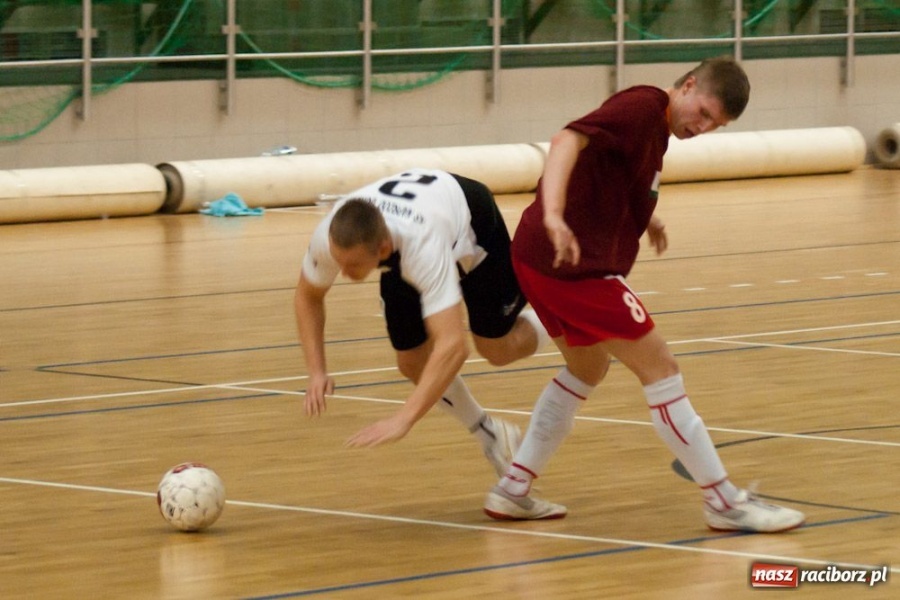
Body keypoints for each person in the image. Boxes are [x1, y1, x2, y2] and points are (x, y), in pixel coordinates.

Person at [483, 57, 807, 533]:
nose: (704, 127)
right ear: (689, 84)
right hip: (571, 265)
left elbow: (612, 173)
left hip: (539, 260)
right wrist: (553, 214)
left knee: (587, 367)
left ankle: (513, 488)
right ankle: (723, 502)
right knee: (663, 371)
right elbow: (566, 140)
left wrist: (646, 217)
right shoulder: (641, 107)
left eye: (716, 125)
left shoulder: (657, 129)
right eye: (704, 113)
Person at [294, 168, 550, 477]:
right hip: (416, 222)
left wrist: (405, 418)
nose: (343, 273)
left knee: (496, 348)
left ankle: (562, 313)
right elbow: (308, 297)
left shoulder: (422, 247)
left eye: (353, 266)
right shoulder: (331, 234)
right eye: (339, 262)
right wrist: (317, 371)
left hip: (472, 222)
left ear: (383, 250)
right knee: (412, 361)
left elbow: (454, 347)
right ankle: (491, 434)